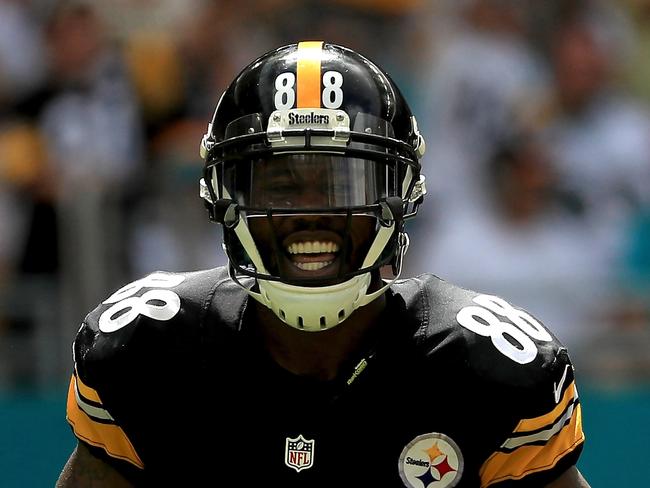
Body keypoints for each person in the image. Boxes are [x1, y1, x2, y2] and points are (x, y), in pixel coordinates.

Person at [57, 41, 590, 487]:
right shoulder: (150, 353)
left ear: (401, 197)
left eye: (343, 183)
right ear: (224, 199)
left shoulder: (484, 372)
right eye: (281, 185)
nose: (311, 215)